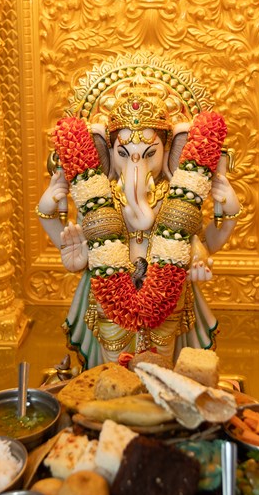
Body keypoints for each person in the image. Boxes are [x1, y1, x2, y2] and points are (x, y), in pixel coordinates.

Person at [36, 78, 241, 368]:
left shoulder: (178, 194)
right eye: (123, 154)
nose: (136, 165)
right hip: (109, 300)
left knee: (160, 370)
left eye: (149, 154)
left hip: (169, 298)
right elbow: (75, 243)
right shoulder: (98, 195)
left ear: (171, 152)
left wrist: (228, 214)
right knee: (112, 371)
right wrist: (50, 213)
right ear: (106, 153)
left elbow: (204, 242)